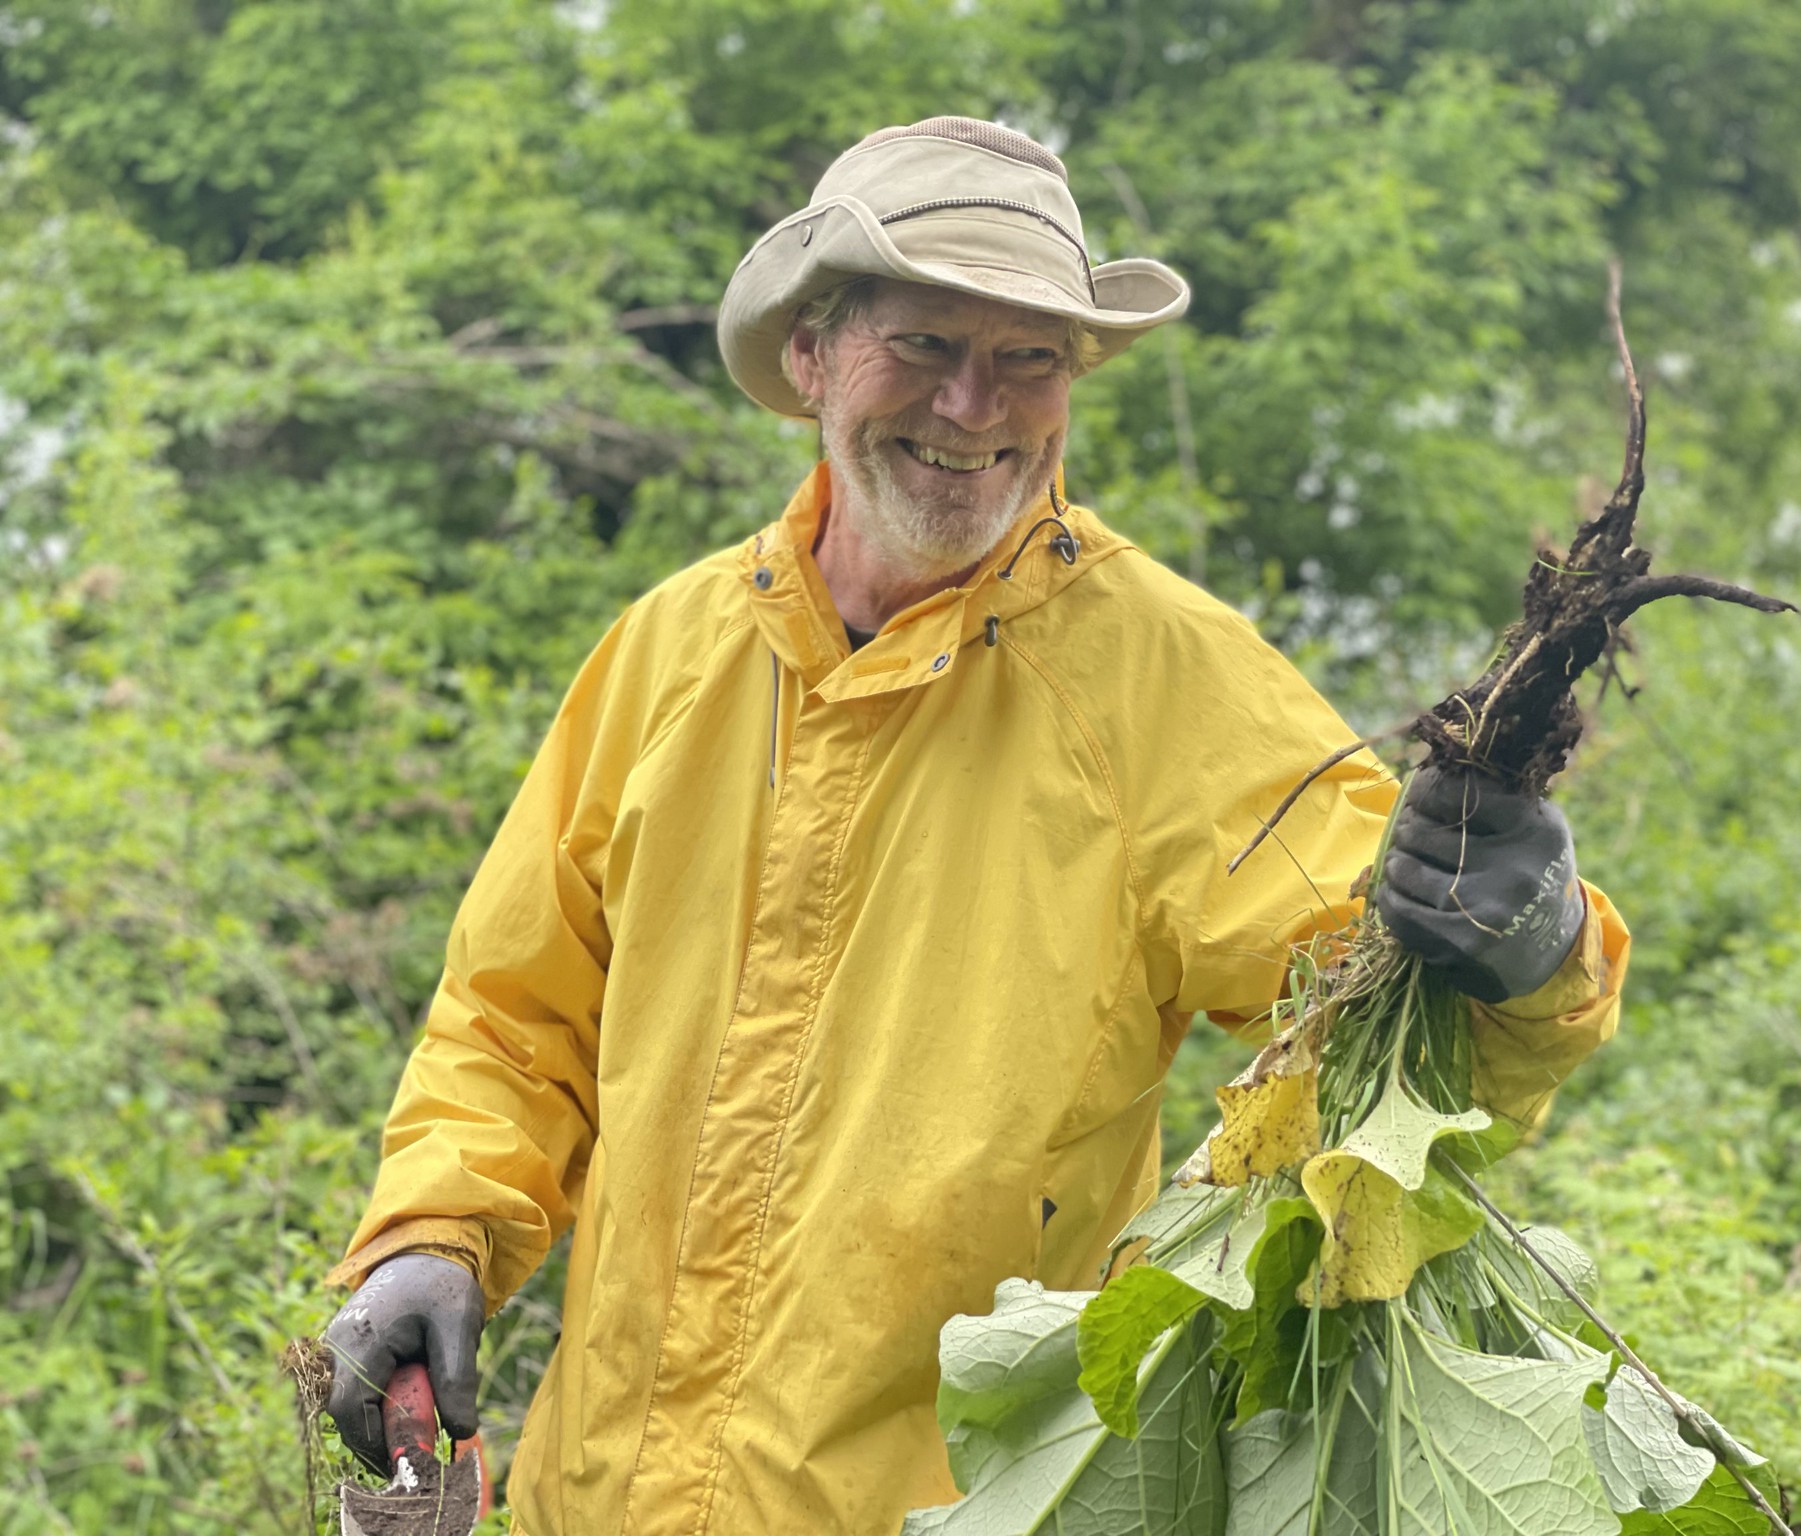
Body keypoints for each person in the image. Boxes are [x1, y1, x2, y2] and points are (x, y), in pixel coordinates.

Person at [320, 117, 1630, 1536]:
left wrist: (1527, 940)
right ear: (812, 356)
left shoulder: (1158, 678)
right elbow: (517, 1017)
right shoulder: (670, 653)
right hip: (598, 1502)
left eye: (1028, 359)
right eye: (925, 345)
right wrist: (435, 1233)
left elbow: (1404, 1026)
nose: (971, 406)